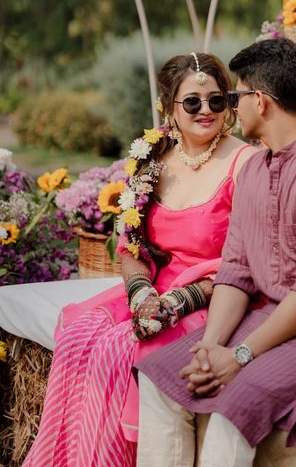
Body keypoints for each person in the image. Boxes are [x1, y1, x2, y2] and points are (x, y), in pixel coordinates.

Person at [135, 38, 296, 467]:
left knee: (234, 398)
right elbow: (235, 272)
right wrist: (211, 346)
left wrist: (238, 356)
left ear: (260, 101)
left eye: (235, 97)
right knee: (164, 378)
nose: (231, 108)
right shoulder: (255, 169)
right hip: (277, 316)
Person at [23, 52, 257, 466]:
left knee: (120, 349)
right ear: (169, 107)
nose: (206, 111)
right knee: (80, 339)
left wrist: (176, 303)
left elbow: (249, 262)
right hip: (152, 291)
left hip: (215, 296)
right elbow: (131, 249)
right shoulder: (152, 159)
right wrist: (140, 292)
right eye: (192, 102)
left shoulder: (244, 162)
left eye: (216, 101)